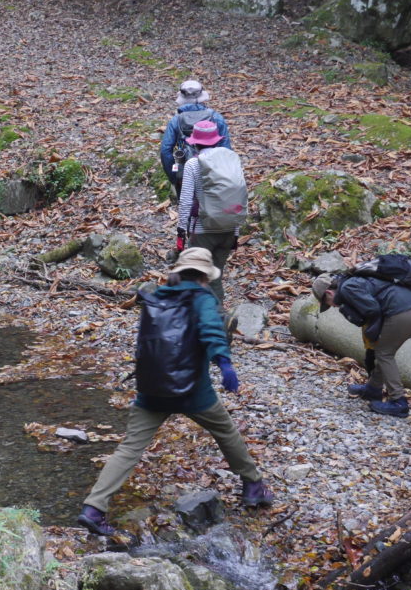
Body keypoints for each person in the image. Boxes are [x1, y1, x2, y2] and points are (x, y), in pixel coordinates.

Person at [77, 248, 274, 537]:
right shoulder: (202, 298)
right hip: (193, 390)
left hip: (153, 389)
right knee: (226, 432)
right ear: (204, 277)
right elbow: (210, 330)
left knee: (129, 448)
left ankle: (94, 509)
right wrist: (225, 363)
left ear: (179, 272)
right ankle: (253, 486)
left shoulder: (156, 296)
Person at [312, 270, 411, 418]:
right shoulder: (352, 282)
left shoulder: (348, 288)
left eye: (328, 303)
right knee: (383, 350)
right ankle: (373, 389)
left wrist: (368, 331)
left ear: (329, 293)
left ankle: (399, 402)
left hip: (406, 311)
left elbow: (372, 310)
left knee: (383, 353)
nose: (333, 306)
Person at [176, 120, 243, 309]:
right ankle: (217, 318)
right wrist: (236, 231)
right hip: (229, 229)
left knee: (198, 277)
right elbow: (236, 195)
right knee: (216, 274)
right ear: (216, 141)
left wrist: (181, 230)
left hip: (202, 231)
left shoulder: (193, 164)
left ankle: (214, 320)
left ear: (194, 142)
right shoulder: (231, 159)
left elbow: (186, 200)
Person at [159, 79, 231, 197]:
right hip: (212, 173)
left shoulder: (176, 121)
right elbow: (226, 149)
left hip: (185, 173)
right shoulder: (216, 118)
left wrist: (174, 176)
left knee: (187, 205)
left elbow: (165, 150)